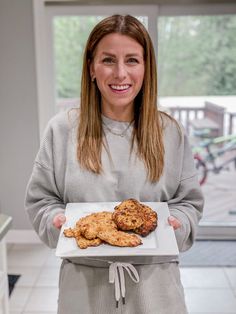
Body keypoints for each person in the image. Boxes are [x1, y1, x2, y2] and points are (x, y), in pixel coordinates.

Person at [25, 14, 204, 314]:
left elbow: (188, 204)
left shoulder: (170, 133)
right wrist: (56, 221)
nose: (120, 73)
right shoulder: (62, 130)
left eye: (132, 60)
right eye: (108, 60)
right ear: (91, 68)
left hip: (157, 290)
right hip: (82, 288)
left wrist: (178, 224)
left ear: (146, 69)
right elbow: (41, 201)